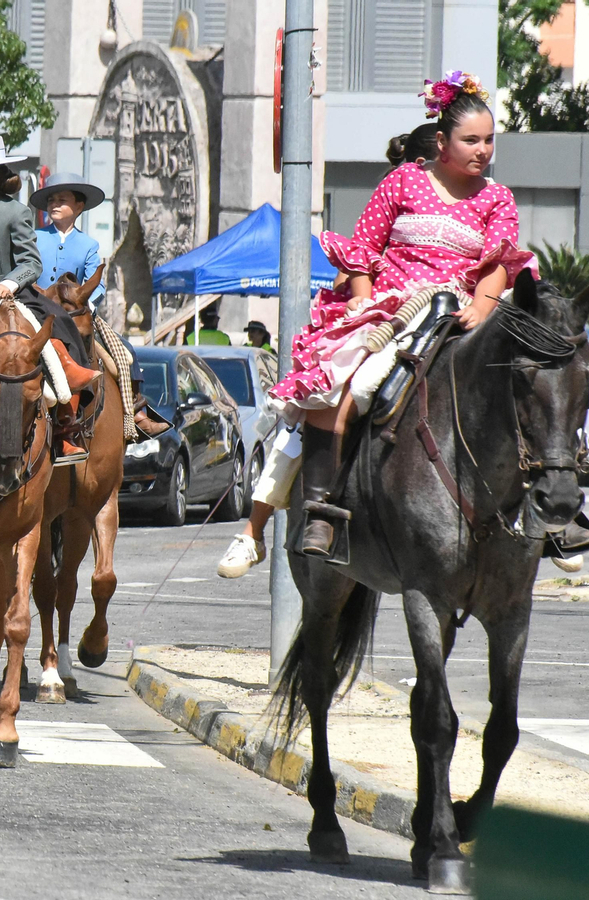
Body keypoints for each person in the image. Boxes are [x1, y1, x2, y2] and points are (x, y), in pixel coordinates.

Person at [219, 72, 533, 577]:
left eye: (489, 140)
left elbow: (499, 261)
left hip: (465, 313)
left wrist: (482, 303)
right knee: (341, 389)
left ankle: (551, 511)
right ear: (441, 141)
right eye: (470, 140)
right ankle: (309, 514)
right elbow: (363, 253)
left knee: (534, 380)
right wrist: (362, 311)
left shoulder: (497, 198)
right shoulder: (404, 180)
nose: (482, 150)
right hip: (394, 310)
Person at [0, 135, 98, 465]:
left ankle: (67, 426)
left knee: (59, 332)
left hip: (12, 298)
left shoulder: (16, 211)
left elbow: (31, 263)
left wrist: (9, 283)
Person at [31, 172, 105, 306]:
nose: (55, 204)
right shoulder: (34, 238)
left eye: (62, 200)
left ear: (79, 206)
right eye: (51, 200)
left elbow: (97, 287)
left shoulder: (88, 245)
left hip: (73, 313)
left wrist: (89, 306)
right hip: (36, 309)